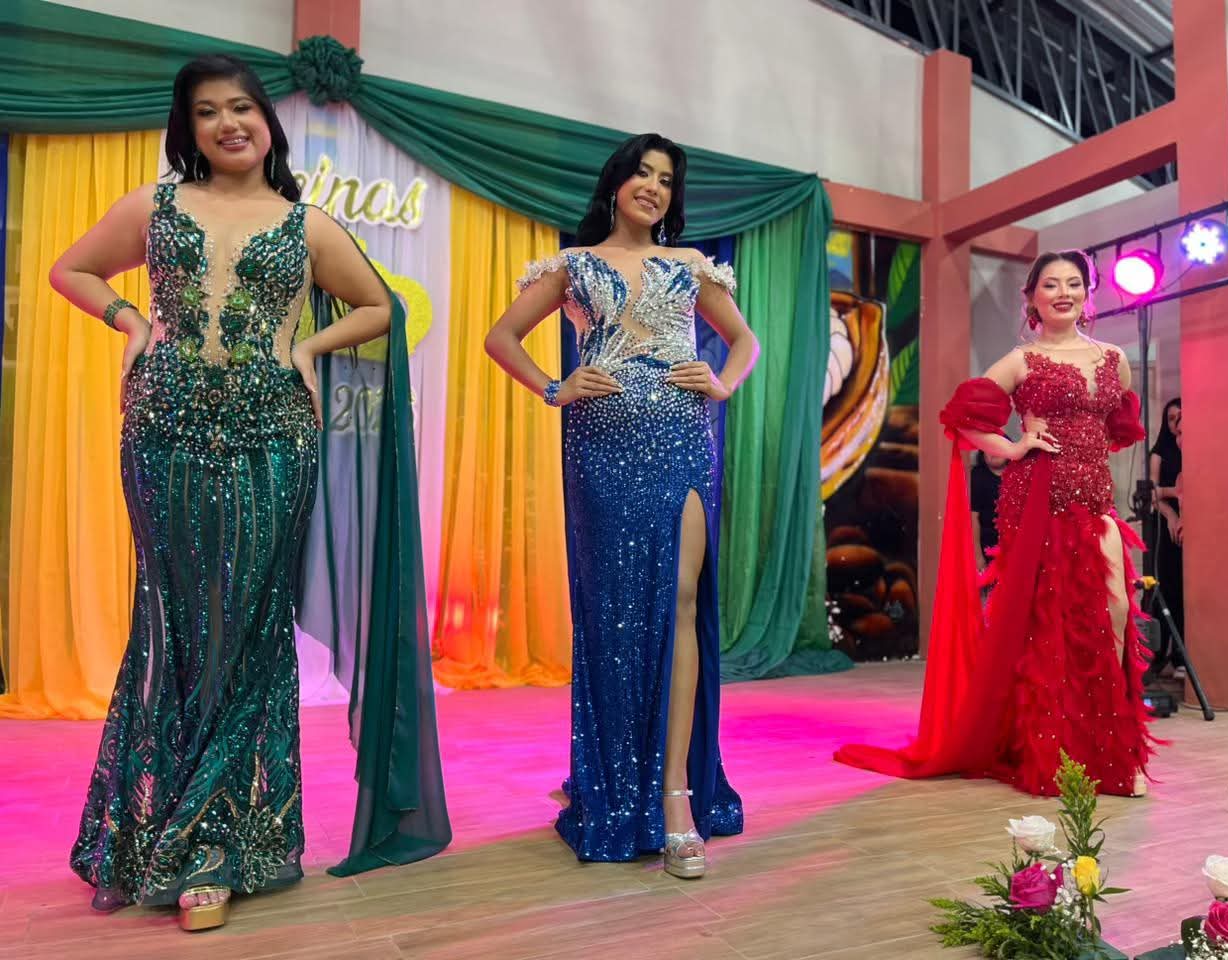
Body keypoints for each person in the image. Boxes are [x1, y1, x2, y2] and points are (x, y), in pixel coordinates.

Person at [50, 55, 449, 930]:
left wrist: (305, 349)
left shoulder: (307, 224)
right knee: (175, 622)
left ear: (267, 121)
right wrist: (130, 319)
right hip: (163, 428)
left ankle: (213, 845)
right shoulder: (154, 208)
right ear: (187, 128)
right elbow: (70, 270)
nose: (228, 123)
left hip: (273, 434)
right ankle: (155, 827)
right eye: (207, 111)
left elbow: (379, 307)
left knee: (248, 627)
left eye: (241, 107)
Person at [485, 133, 758, 877]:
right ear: (615, 183)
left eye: (666, 179)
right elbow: (501, 338)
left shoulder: (691, 266)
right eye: (642, 172)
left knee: (680, 603)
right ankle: (613, 781)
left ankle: (675, 796)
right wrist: (554, 386)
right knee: (614, 619)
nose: (654, 187)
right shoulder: (572, 266)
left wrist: (723, 382)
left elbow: (744, 341)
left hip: (681, 441)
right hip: (601, 449)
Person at [836, 250, 1154, 798]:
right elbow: (961, 419)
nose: (1063, 293)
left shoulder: (1113, 358)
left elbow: (1116, 426)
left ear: (1088, 293)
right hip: (1037, 499)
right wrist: (1012, 446)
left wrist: (1086, 458)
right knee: (1048, 625)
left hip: (1094, 500)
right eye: (1050, 284)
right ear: (1031, 297)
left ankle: (1111, 750)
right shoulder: (1020, 361)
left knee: (1114, 613)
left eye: (1073, 283)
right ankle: (1052, 750)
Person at [1150, 397, 1185, 671]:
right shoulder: (1160, 451)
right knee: (1165, 584)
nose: (1175, 424)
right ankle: (1159, 653)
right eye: (1171, 419)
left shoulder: (1192, 446)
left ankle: (1182, 655)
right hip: (1164, 521)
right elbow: (1152, 493)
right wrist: (1172, 511)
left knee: (1186, 587)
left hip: (1189, 522)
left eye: (1180, 418)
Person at [969, 450, 1008, 574]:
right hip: (986, 545)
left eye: (997, 447)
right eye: (989, 448)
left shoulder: (1017, 473)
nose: (994, 452)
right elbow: (972, 518)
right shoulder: (977, 476)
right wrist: (978, 556)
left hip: (1012, 546)